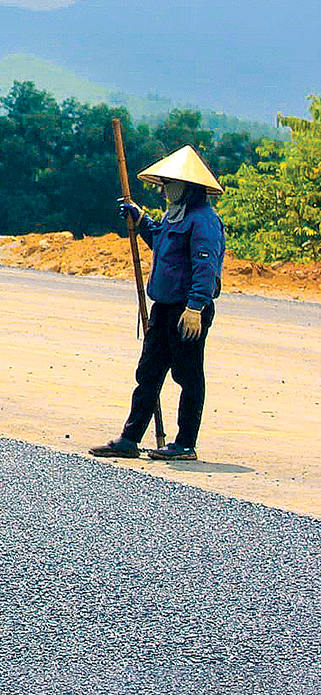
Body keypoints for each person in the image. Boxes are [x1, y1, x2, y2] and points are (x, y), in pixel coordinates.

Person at [90, 146, 226, 462]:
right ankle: (129, 439)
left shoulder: (203, 220)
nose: (165, 189)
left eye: (170, 183)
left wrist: (196, 308)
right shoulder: (173, 216)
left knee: (187, 375)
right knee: (148, 373)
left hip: (187, 311)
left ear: (189, 187)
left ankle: (185, 444)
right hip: (163, 308)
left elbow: (205, 265)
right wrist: (141, 220)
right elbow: (162, 246)